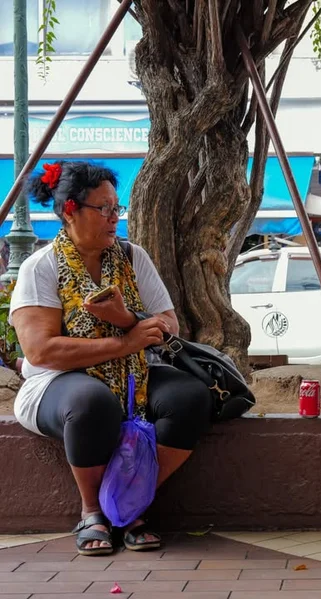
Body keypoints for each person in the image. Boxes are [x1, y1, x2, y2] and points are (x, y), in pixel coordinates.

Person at [10, 161, 212, 556]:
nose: (114, 217)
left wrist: (124, 320)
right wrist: (125, 343)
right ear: (70, 210)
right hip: (57, 381)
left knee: (189, 397)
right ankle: (92, 511)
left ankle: (123, 503)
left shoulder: (133, 257)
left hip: (136, 369)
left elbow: (170, 326)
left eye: (116, 208)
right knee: (92, 401)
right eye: (103, 208)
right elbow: (42, 351)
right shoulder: (41, 267)